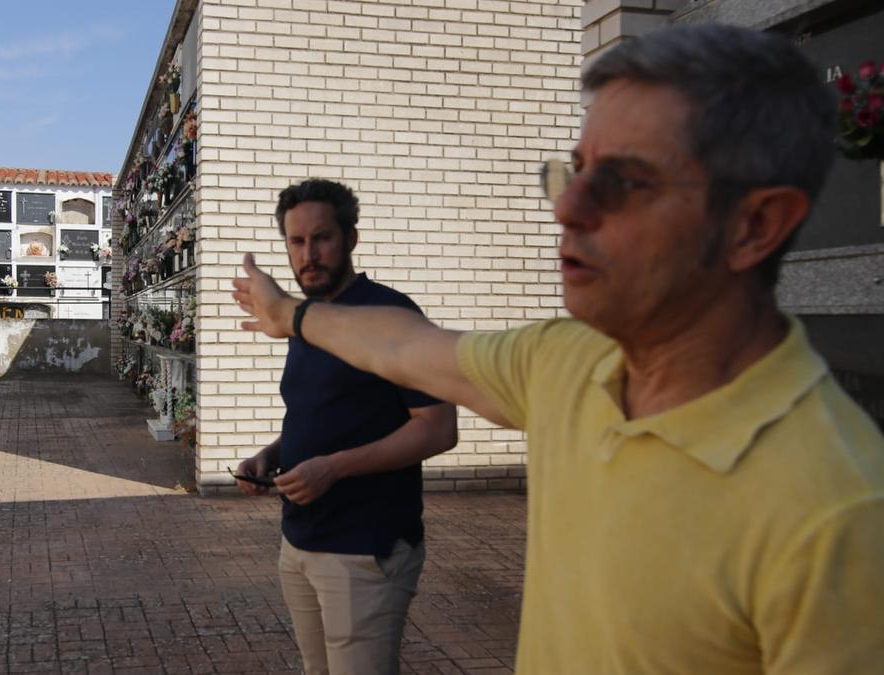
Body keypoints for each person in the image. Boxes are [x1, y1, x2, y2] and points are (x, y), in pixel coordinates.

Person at [232, 24, 884, 674]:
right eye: (574, 171)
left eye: (623, 180)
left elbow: (420, 392)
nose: (567, 205)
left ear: (753, 225)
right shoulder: (565, 362)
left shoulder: (839, 516)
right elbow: (405, 347)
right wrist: (288, 314)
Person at [234, 178, 458, 675]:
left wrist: (333, 468)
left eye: (322, 238)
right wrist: (272, 455)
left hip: (365, 550)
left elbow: (438, 428)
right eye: (296, 242)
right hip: (299, 541)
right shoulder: (304, 320)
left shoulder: (390, 314)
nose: (308, 254)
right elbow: (322, 411)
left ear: (351, 238)